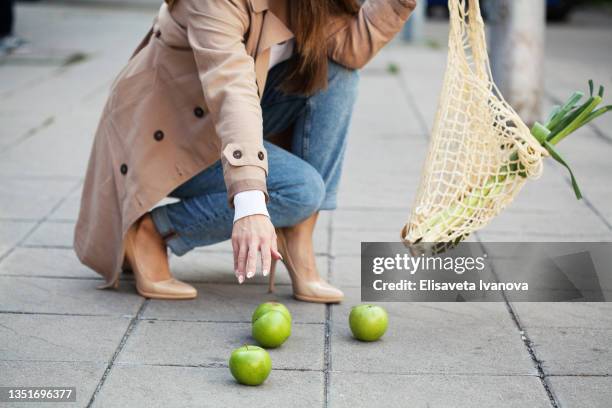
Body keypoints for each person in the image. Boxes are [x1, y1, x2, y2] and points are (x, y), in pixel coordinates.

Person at [74, 0, 416, 303]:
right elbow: (232, 91)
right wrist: (251, 200)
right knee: (300, 189)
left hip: (233, 118)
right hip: (171, 137)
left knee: (338, 71)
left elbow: (349, 49)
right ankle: (154, 230)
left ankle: (299, 238)